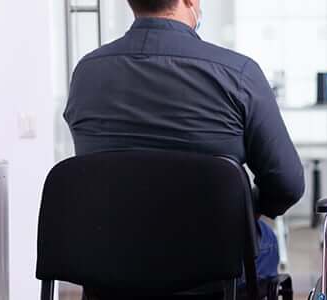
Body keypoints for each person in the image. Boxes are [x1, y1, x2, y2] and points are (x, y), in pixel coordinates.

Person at [63, 0, 304, 285]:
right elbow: (287, 183)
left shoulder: (86, 74)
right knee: (265, 243)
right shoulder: (238, 74)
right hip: (212, 264)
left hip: (109, 263)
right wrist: (244, 206)